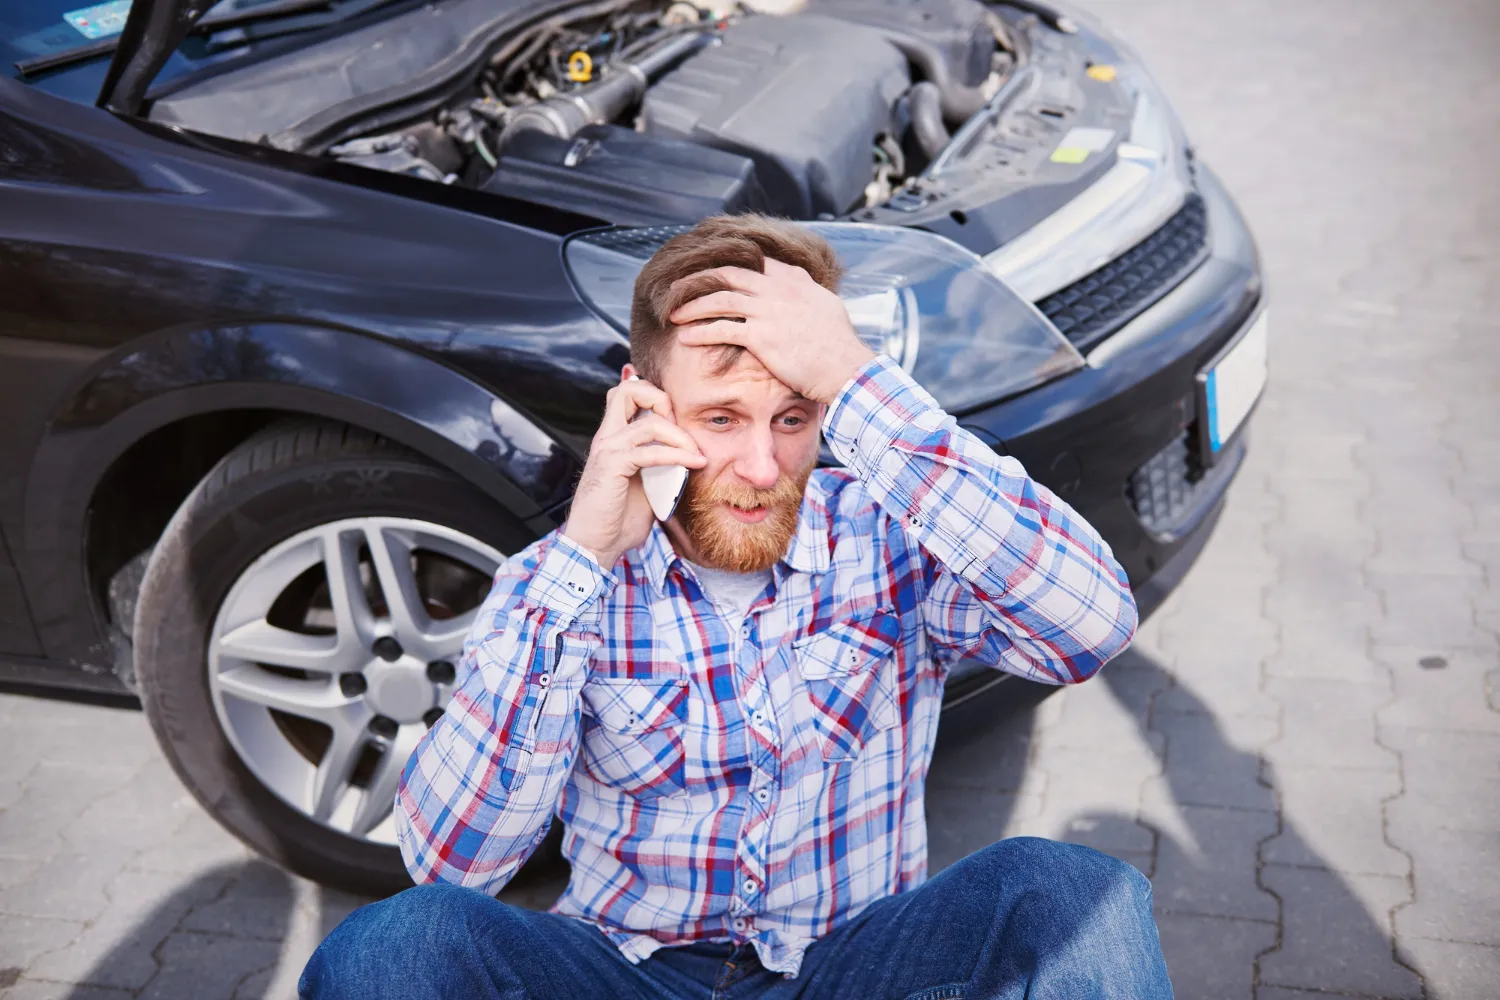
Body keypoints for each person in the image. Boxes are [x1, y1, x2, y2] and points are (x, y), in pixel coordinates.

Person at [300, 215, 1170, 999]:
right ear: (642, 400)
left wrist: (858, 377)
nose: (762, 466)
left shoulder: (888, 535)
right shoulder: (556, 584)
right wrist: (583, 558)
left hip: (853, 967)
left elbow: (1092, 625)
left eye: (793, 418)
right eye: (721, 417)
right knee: (393, 951)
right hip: (627, 970)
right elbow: (451, 862)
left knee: (1072, 898)